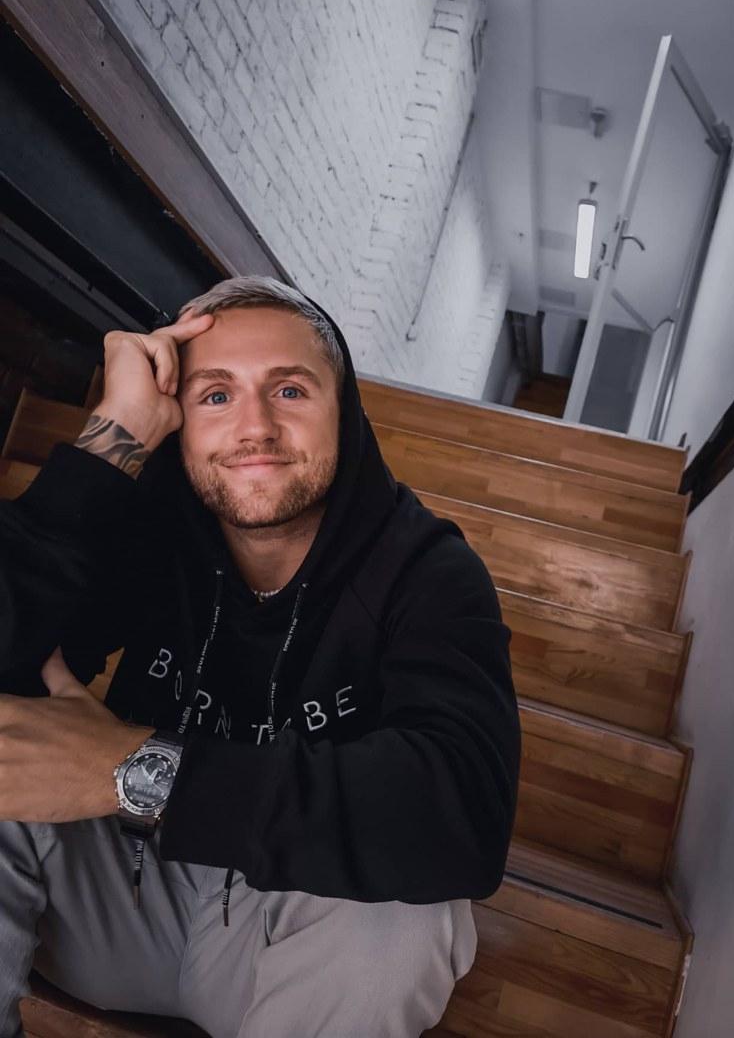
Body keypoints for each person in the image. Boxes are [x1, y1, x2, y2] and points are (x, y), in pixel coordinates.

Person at [0, 276, 521, 1038]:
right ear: (178, 421)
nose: (256, 427)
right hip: (114, 890)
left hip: (291, 928)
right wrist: (113, 435)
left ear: (345, 413)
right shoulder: (151, 525)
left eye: (290, 391)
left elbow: (461, 811)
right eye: (215, 395)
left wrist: (137, 766)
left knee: (412, 921)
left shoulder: (428, 569)